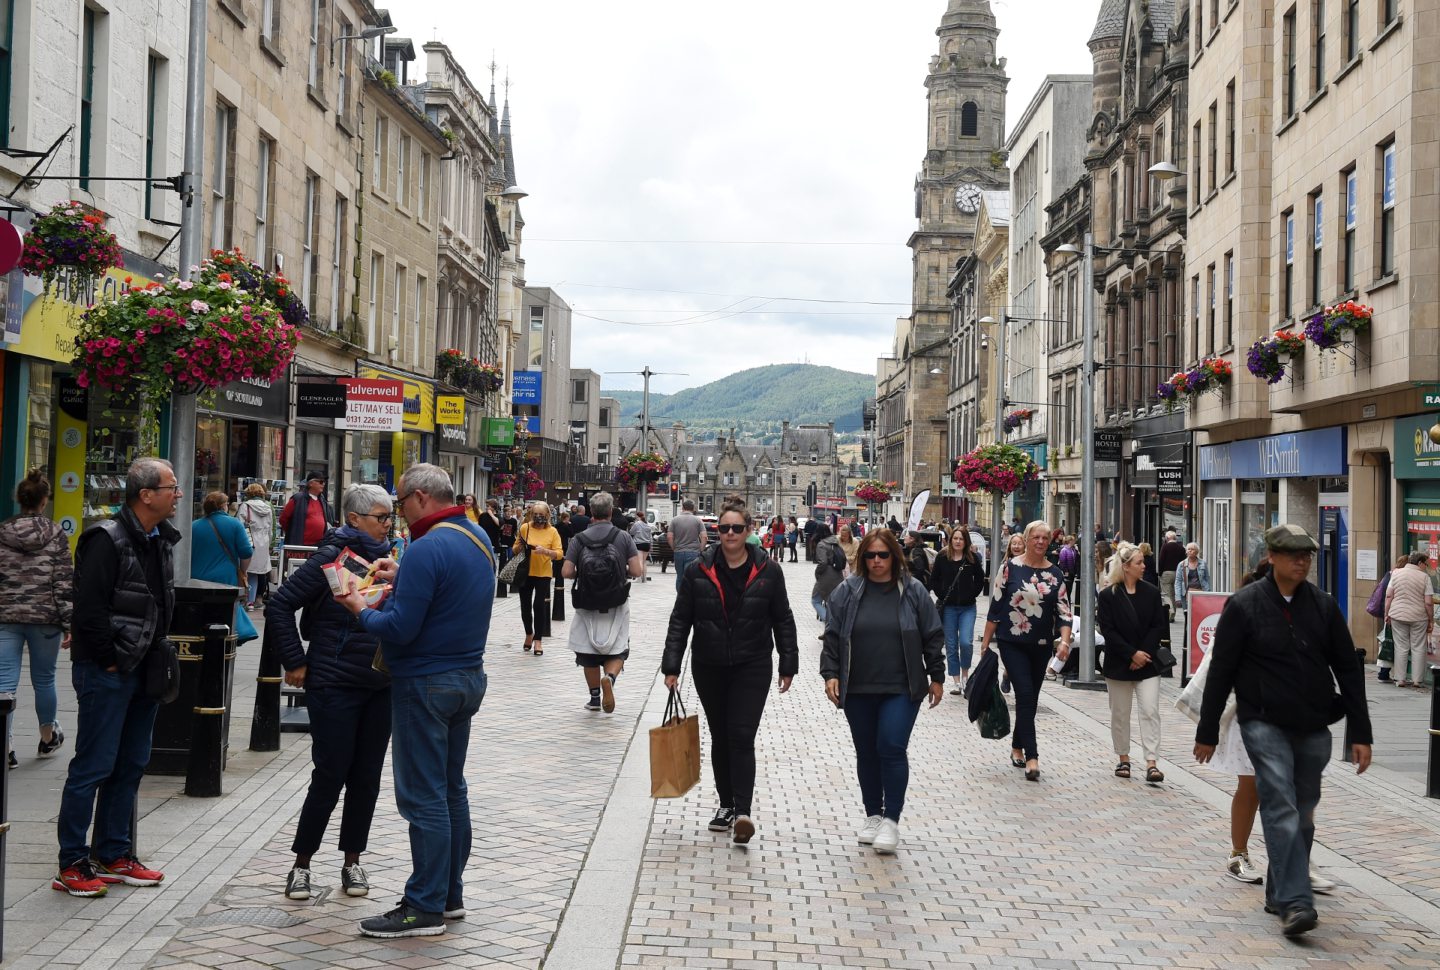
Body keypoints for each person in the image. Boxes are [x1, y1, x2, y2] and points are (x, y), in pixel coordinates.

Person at [336, 463, 495, 938]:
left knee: (422, 797)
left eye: (401, 504)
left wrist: (360, 609)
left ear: (422, 497)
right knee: (450, 790)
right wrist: (402, 572)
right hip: (466, 677)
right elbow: (449, 592)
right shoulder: (476, 538)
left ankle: (422, 906)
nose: (399, 515)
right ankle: (449, 895)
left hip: (424, 681)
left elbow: (400, 628)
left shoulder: (428, 547)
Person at [1195, 524, 1372, 938]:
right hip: (1262, 721)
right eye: (1294, 554)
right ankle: (1296, 903)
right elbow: (1221, 670)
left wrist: (1360, 733)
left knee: (1303, 813)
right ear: (1272, 557)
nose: (1302, 561)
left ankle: (1279, 891)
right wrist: (1208, 730)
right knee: (1280, 805)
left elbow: (1348, 669)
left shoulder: (1324, 606)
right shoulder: (1245, 605)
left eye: (1307, 555)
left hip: (1313, 725)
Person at [54, 458, 182, 897]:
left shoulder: (160, 539)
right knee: (92, 766)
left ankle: (113, 854)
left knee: (130, 765)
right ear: (146, 494)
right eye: (171, 487)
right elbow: (87, 608)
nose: (178, 494)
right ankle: (71, 863)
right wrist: (108, 660)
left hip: (143, 669)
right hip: (107, 671)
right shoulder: (105, 539)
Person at [268, 484, 395, 902]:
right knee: (330, 774)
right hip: (334, 681)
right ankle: (301, 864)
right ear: (355, 518)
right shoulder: (331, 556)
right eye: (381, 516)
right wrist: (296, 661)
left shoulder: (392, 558)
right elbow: (280, 604)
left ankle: (352, 860)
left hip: (379, 683)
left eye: (391, 516)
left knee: (367, 778)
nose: (388, 523)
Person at [662, 494, 797, 845]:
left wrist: (788, 662)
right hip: (710, 663)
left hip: (752, 664)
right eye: (724, 529)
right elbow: (681, 620)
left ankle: (743, 812)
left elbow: (783, 618)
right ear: (717, 531)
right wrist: (671, 666)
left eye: (737, 528)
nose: (731, 534)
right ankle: (725, 804)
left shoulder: (768, 570)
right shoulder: (698, 570)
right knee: (720, 736)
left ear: (749, 530)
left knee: (740, 735)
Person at [821, 528, 944, 854]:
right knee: (867, 751)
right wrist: (830, 673)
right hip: (858, 686)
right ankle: (873, 814)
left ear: (895, 556)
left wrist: (937, 674)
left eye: (883, 555)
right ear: (863, 558)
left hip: (902, 686)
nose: (877, 561)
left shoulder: (914, 591)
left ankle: (891, 820)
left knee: (890, 745)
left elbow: (932, 633)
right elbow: (832, 634)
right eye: (871, 555)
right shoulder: (847, 590)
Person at [979, 520, 1073, 782]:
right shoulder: (1010, 567)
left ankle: (1017, 746)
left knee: (1029, 699)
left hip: (1041, 644)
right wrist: (986, 642)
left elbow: (1064, 612)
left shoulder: (1055, 574)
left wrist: (1064, 642)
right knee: (1026, 694)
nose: (1041, 542)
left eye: (1045, 538)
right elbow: (996, 605)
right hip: (1012, 641)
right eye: (1036, 538)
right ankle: (1033, 756)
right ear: (1028, 539)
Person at [0, 469, 73, 768]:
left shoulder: (3, 531)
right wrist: (70, 623)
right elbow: (63, 581)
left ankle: (6, 745)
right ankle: (47, 736)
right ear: (45, 501)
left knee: (4, 681)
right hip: (46, 618)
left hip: (6, 616)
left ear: (20, 499)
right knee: (44, 679)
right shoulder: (56, 533)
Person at [564, 492, 644, 713]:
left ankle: (594, 698)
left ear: (591, 512)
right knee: (618, 648)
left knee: (587, 651)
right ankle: (609, 677)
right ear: (610, 512)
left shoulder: (579, 539)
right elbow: (637, 570)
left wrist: (584, 573)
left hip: (587, 601)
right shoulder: (623, 537)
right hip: (616, 600)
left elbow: (566, 571)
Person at [1096, 542, 1167, 784]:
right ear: (1126, 567)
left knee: (1150, 710)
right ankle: (1124, 758)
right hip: (1118, 663)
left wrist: (1143, 653)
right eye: (1139, 563)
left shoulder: (1152, 593)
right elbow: (1108, 630)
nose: (1144, 566)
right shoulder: (1108, 596)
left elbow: (1158, 626)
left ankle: (1152, 762)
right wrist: (1130, 654)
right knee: (1120, 713)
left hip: (1147, 663)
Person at [191, 491, 258, 645]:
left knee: (203, 615)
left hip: (196, 579)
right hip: (224, 578)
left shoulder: (194, 526)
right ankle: (228, 642)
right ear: (223, 506)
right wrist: (243, 571)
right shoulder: (234, 524)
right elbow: (247, 552)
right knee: (225, 613)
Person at [929, 527, 987, 695]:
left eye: (961, 539)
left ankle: (965, 674)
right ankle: (955, 680)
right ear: (950, 539)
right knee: (952, 645)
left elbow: (980, 580)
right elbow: (935, 579)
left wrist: (972, 594)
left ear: (966, 541)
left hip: (968, 607)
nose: (958, 541)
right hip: (948, 608)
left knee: (966, 642)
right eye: (955, 538)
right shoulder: (942, 558)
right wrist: (942, 594)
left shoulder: (972, 558)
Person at [514, 502, 562, 656]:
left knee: (539, 605)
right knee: (525, 606)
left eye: (541, 515)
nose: (538, 518)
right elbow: (514, 548)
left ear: (547, 516)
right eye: (535, 515)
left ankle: (538, 640)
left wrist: (546, 551)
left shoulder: (553, 531)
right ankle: (529, 633)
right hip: (526, 572)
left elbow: (559, 553)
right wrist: (521, 546)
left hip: (543, 573)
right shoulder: (525, 528)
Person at [1383, 551, 1434, 689]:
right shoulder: (1425, 577)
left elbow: (1388, 596)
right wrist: (1431, 619)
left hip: (1398, 615)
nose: (1426, 566)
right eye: (1425, 563)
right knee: (1418, 647)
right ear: (1419, 563)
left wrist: (1386, 614)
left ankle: (1400, 679)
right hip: (1419, 617)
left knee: (1401, 647)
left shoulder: (1396, 573)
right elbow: (1428, 602)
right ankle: (1417, 680)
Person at [238, 483, 275, 611]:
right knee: (256, 574)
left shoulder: (245, 506)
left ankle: (243, 599)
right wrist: (268, 544)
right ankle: (251, 602)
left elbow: (239, 526)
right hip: (263, 544)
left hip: (249, 541)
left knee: (245, 571)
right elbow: (270, 529)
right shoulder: (268, 508)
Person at [280, 472, 334, 546]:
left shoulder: (323, 501)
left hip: (319, 545)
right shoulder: (297, 499)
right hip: (300, 545)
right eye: (321, 482)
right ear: (311, 483)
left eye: (324, 482)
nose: (323, 484)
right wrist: (293, 533)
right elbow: (283, 519)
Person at [667, 499, 706, 592]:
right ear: (693, 509)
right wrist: (700, 550)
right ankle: (689, 598)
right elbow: (704, 537)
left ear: (683, 508)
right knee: (690, 577)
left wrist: (674, 548)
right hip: (693, 552)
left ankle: (680, 598)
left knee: (680, 577)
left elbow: (669, 537)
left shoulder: (674, 520)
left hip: (678, 552)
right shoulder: (698, 520)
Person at [810, 524, 843, 624]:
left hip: (826, 575)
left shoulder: (821, 544)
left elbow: (823, 562)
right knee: (830, 600)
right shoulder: (835, 541)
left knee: (815, 600)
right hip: (838, 574)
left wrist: (817, 573)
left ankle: (830, 622)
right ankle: (830, 629)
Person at [1173, 543, 1211, 613]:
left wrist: (1208, 593)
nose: (1190, 551)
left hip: (1201, 593)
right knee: (1187, 615)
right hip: (1186, 594)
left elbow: (1207, 579)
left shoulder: (1203, 563)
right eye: (1188, 549)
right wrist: (1178, 598)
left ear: (1196, 552)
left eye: (1192, 549)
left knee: (1200, 613)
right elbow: (1178, 581)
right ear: (1186, 551)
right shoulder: (1181, 565)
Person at [1157, 530, 1186, 619]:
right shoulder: (1181, 548)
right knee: (1174, 594)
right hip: (1177, 573)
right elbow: (1183, 561)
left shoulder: (1165, 547)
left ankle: (1171, 613)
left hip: (1166, 573)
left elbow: (1161, 560)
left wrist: (1160, 573)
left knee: (1167, 594)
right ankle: (1173, 612)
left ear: (1167, 538)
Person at [628, 511, 654, 581]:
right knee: (644, 562)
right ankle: (644, 578)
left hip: (639, 544)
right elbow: (650, 536)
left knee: (639, 560)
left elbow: (631, 532)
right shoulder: (647, 524)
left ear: (637, 516)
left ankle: (639, 578)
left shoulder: (637, 524)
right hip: (647, 544)